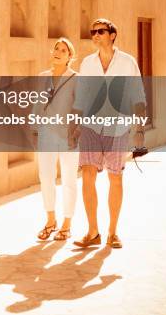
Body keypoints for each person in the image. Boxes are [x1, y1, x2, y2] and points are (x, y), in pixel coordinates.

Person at [71, 18, 146, 249]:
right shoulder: (87, 63)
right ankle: (93, 231)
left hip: (118, 127)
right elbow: (81, 97)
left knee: (115, 177)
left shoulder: (127, 62)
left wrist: (140, 129)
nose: (95, 35)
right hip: (91, 127)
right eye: (92, 31)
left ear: (112, 35)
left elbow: (138, 95)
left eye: (100, 31)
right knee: (88, 176)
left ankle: (113, 232)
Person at [36, 38, 79, 241]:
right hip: (46, 135)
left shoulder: (76, 78)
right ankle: (50, 220)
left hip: (69, 136)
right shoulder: (42, 77)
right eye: (56, 49)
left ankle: (67, 223)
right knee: (46, 177)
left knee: (69, 179)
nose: (59, 52)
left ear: (70, 56)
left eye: (64, 50)